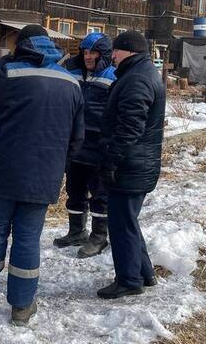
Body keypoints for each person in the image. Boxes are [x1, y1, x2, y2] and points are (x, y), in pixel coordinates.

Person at [0, 24, 84, 326]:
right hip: (44, 177)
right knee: (28, 239)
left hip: (4, 173)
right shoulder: (71, 83)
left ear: (21, 47)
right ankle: (21, 307)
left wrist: (5, 60)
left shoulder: (10, 74)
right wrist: (56, 166)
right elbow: (77, 138)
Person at [96, 30, 166, 299]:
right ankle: (144, 273)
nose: (112, 55)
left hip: (130, 165)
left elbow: (129, 127)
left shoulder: (136, 79)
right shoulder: (141, 73)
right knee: (128, 221)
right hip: (138, 163)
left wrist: (111, 160)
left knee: (121, 224)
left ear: (130, 51)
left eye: (116, 50)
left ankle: (128, 280)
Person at [53, 32, 116, 258]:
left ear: (104, 54)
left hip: (99, 145)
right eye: (85, 52)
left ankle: (99, 237)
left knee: (100, 194)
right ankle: (76, 231)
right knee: (74, 190)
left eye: (93, 53)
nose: (88, 57)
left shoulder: (113, 75)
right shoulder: (73, 70)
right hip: (75, 142)